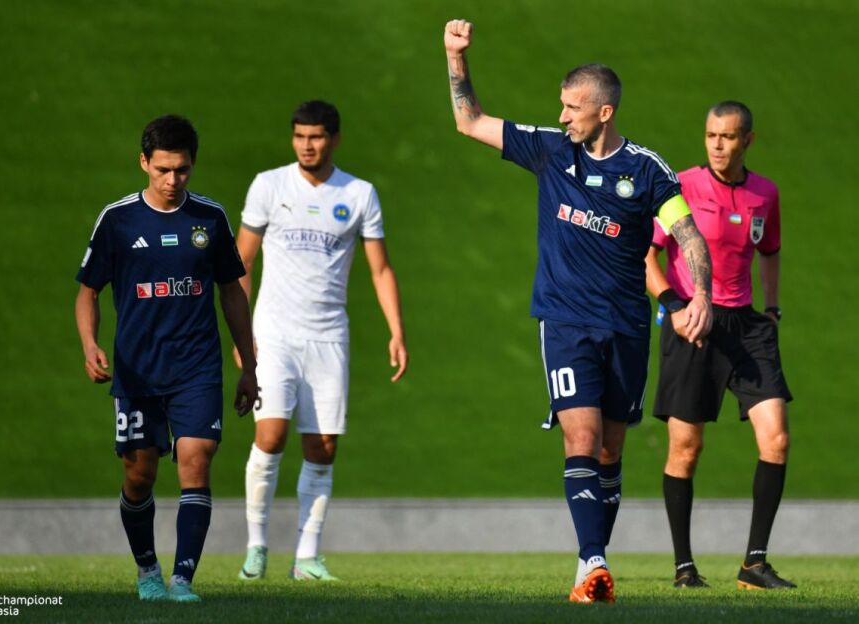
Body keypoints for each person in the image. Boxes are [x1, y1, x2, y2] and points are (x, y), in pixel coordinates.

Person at [443, 19, 714, 604]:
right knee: (582, 437)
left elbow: (687, 234)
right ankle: (594, 560)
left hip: (627, 327)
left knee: (611, 451)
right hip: (565, 322)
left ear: (604, 112)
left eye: (573, 107)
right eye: (562, 106)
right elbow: (469, 121)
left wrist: (701, 296)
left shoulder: (647, 170)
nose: (562, 116)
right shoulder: (549, 149)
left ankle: (589, 565)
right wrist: (455, 57)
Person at [75, 114, 259, 603]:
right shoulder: (117, 220)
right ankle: (147, 570)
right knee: (139, 475)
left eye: (182, 170)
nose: (173, 180)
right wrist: (90, 344)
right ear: (143, 163)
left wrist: (249, 365)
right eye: (163, 170)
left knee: (196, 461)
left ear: (193, 165)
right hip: (137, 370)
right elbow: (88, 292)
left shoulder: (210, 218)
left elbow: (232, 293)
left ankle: (182, 581)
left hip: (197, 367)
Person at [235, 100, 408, 582]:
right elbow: (241, 261)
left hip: (329, 337)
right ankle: (256, 547)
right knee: (270, 436)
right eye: (299, 136)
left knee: (324, 446)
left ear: (334, 139)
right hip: (273, 334)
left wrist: (396, 330)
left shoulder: (359, 194)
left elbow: (380, 268)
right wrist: (242, 335)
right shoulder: (269, 185)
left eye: (315, 137)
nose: (306, 145)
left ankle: (307, 557)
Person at [645, 101, 795, 590]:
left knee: (777, 439)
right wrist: (673, 304)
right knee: (687, 449)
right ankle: (684, 568)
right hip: (693, 322)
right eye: (711, 135)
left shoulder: (765, 193)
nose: (717, 145)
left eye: (727, 137)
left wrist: (772, 308)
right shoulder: (681, 186)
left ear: (747, 140)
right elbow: (647, 257)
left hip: (747, 326)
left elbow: (769, 251)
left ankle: (754, 565)